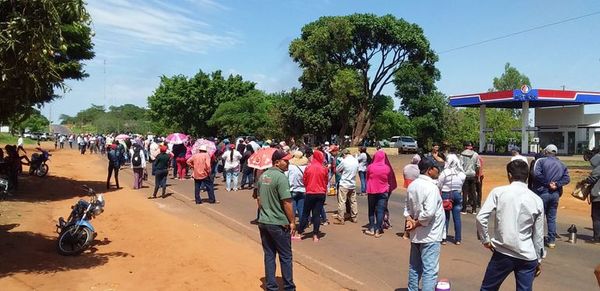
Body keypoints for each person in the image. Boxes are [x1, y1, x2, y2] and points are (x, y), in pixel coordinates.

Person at [477, 160, 545, 291]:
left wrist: (485, 240)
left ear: (509, 175)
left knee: (488, 288)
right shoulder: (536, 199)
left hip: (503, 252)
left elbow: (481, 217)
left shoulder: (499, 192)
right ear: (527, 177)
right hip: (527, 256)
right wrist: (538, 259)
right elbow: (538, 234)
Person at [257, 149, 296, 291]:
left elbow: (259, 200)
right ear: (277, 162)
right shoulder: (281, 178)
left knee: (269, 254)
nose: (288, 163)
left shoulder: (263, 176)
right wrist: (292, 221)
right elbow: (287, 203)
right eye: (285, 161)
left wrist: (265, 212)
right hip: (278, 223)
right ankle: (289, 287)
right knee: (286, 256)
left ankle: (271, 286)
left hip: (264, 221)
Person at [405, 158, 444, 291]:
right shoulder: (431, 188)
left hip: (416, 235)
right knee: (430, 270)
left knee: (415, 267)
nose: (438, 171)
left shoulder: (412, 185)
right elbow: (428, 213)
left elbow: (407, 209)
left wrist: (410, 220)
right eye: (436, 168)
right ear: (429, 170)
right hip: (430, 234)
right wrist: (415, 223)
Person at [532, 144, 570, 249]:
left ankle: (537, 240)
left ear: (546, 152)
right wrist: (556, 184)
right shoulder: (562, 164)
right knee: (552, 218)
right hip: (555, 194)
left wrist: (548, 183)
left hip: (542, 192)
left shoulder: (540, 161)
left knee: (539, 217)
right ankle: (552, 240)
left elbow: (536, 174)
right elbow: (567, 179)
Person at [296, 149, 328, 242]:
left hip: (310, 192)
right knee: (317, 214)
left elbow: (304, 180)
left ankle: (300, 233)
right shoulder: (324, 169)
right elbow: (326, 181)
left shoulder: (308, 168)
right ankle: (315, 235)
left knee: (305, 213)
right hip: (321, 193)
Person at [437, 150, 466, 245]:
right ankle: (458, 239)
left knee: (445, 217)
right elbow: (461, 183)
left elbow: (439, 184)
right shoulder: (461, 173)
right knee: (457, 218)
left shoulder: (445, 172)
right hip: (457, 194)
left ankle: (443, 238)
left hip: (446, 194)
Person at [365, 150, 395, 238]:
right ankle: (378, 229)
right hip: (383, 191)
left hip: (372, 190)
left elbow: (367, 178)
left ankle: (371, 228)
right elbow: (389, 179)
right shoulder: (387, 168)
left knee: (371, 210)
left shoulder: (370, 167)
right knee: (380, 211)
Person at [334, 148, 359, 225]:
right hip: (352, 184)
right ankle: (354, 217)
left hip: (344, 184)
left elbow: (337, 170)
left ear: (344, 154)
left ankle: (341, 218)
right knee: (353, 201)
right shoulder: (355, 160)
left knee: (342, 202)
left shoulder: (344, 161)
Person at [581, 149, 600, 244]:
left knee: (596, 216)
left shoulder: (598, 168)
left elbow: (591, 178)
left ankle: (597, 238)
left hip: (598, 196)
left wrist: (584, 182)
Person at [460, 141, 481, 214]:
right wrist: (476, 173)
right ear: (471, 147)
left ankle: (464, 209)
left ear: (465, 146)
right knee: (473, 192)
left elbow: (460, 165)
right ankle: (474, 209)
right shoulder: (476, 154)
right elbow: (478, 166)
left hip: (465, 175)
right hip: (473, 174)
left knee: (465, 192)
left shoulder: (462, 155)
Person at [287, 150, 308, 220]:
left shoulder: (290, 167)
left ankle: (292, 222)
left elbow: (286, 177)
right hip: (302, 189)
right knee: (301, 208)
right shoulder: (305, 168)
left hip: (292, 189)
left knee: (292, 208)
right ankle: (302, 224)